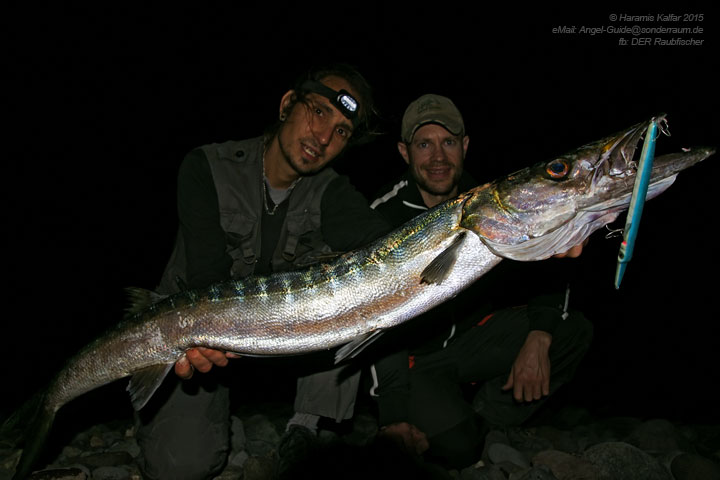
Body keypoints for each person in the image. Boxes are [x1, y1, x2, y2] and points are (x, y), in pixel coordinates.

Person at [136, 64, 392, 480]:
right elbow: (206, 278)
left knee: (355, 291)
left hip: (290, 337)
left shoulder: (334, 193)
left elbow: (388, 242)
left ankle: (308, 426)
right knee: (180, 466)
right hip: (189, 335)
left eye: (342, 131)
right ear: (287, 104)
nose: (324, 138)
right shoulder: (206, 166)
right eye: (318, 111)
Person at [368, 94, 593, 469]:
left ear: (465, 146)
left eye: (449, 142)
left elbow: (549, 267)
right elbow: (372, 319)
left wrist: (540, 334)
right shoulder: (381, 214)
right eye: (424, 144)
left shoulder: (493, 198)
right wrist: (391, 412)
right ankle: (462, 425)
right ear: (404, 153)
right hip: (412, 358)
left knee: (570, 331)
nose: (438, 157)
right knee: (458, 449)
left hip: (473, 338)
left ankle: (491, 417)